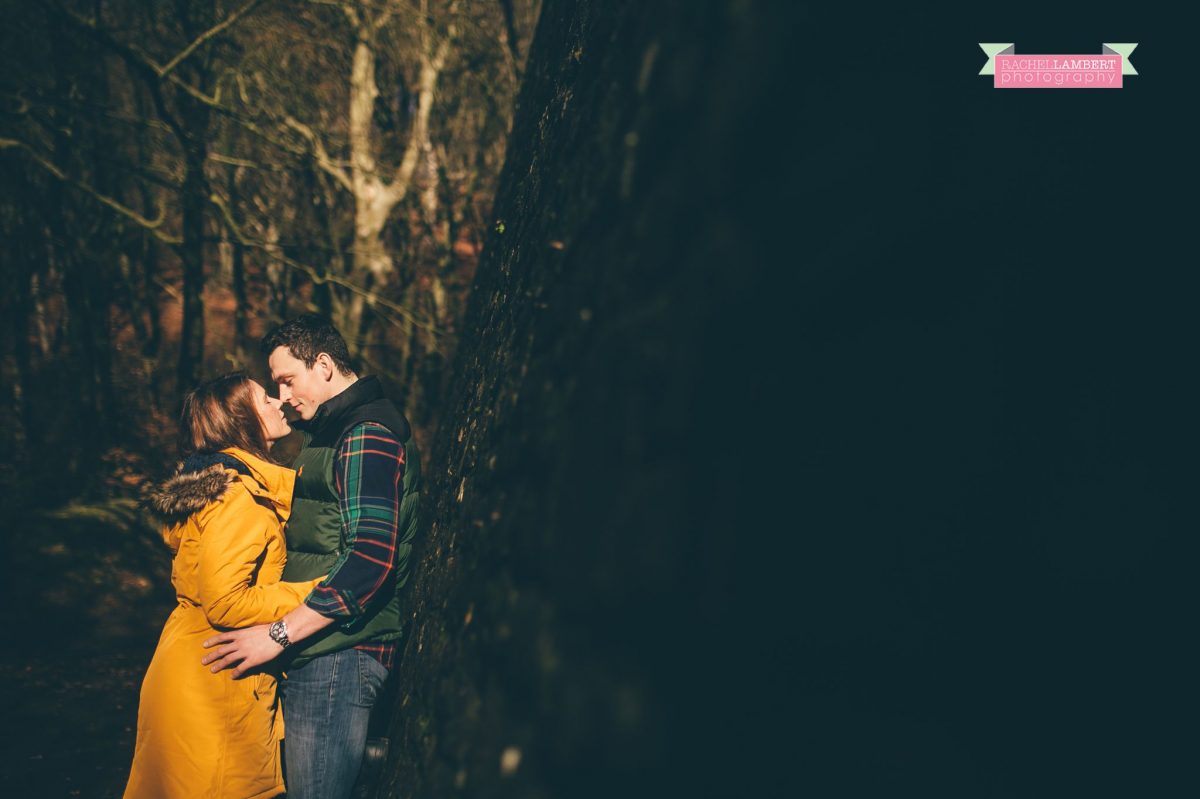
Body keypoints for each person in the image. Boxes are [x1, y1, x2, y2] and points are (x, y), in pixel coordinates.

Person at [202, 314, 421, 799]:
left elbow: (369, 558)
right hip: (323, 651)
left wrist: (277, 635)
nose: (282, 396)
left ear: (323, 364)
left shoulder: (367, 433)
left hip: (338, 656)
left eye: (287, 379)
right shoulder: (327, 433)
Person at [124, 373, 326, 799]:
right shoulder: (240, 497)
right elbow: (226, 602)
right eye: (263, 398)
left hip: (192, 666)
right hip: (214, 685)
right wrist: (318, 591)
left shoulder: (222, 488)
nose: (277, 401)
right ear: (242, 421)